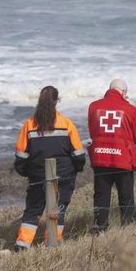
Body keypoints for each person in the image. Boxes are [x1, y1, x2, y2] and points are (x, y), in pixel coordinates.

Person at [13, 86, 86, 249]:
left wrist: (28, 172)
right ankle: (53, 244)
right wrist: (76, 169)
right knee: (59, 210)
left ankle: (22, 245)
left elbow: (20, 157)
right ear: (56, 101)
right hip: (64, 175)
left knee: (33, 210)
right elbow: (79, 155)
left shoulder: (29, 124)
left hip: (38, 176)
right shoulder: (66, 123)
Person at [86, 78, 136, 231]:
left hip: (100, 157)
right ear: (123, 92)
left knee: (101, 195)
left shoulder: (93, 106)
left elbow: (92, 132)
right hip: (123, 159)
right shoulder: (130, 109)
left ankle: (100, 227)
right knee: (126, 196)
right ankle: (127, 228)